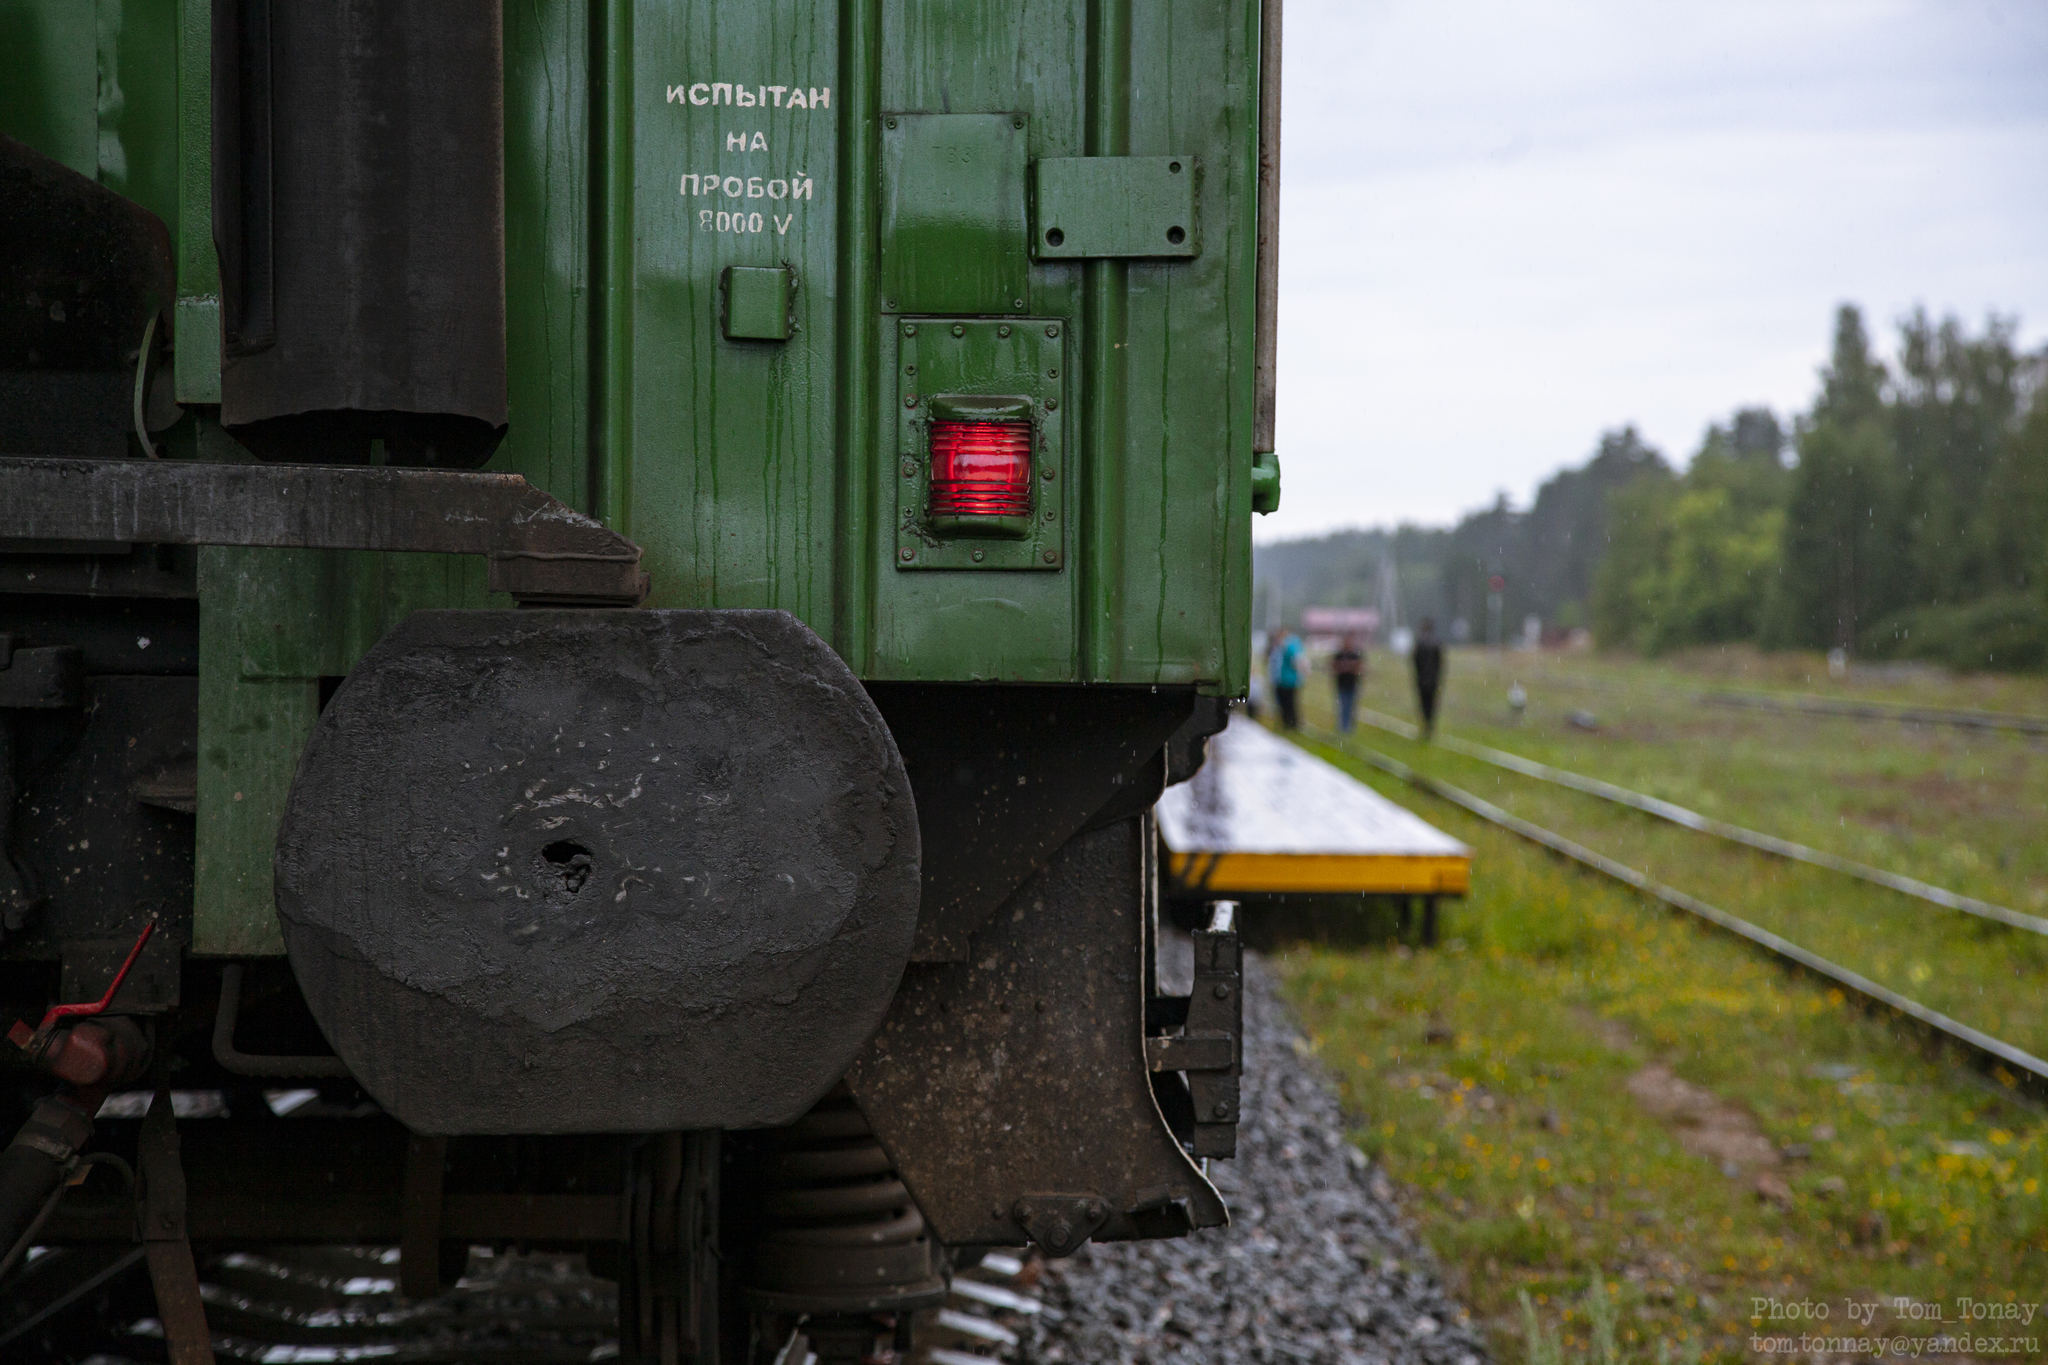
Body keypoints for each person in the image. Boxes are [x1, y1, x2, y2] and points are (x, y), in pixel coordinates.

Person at [1412, 618, 1444, 738]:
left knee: (1424, 703)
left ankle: (1426, 724)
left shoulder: (1419, 644)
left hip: (1422, 679)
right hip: (1433, 680)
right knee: (1431, 703)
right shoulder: (1436, 644)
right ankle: (1429, 724)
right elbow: (1440, 664)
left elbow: (1415, 662)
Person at [1271, 630, 1305, 729]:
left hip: (1288, 681)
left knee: (1289, 703)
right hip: (1281, 680)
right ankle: (1287, 723)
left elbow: (1298, 660)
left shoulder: (1288, 646)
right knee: (1285, 703)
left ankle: (1291, 724)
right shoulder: (1280, 647)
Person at [1331, 633, 1365, 733]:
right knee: (1342, 705)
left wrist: (1351, 669)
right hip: (1341, 683)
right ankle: (1343, 726)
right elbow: (1333, 667)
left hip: (1352, 683)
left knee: (1351, 706)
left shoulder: (1355, 654)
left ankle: (1349, 726)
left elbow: (1360, 668)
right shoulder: (1339, 654)